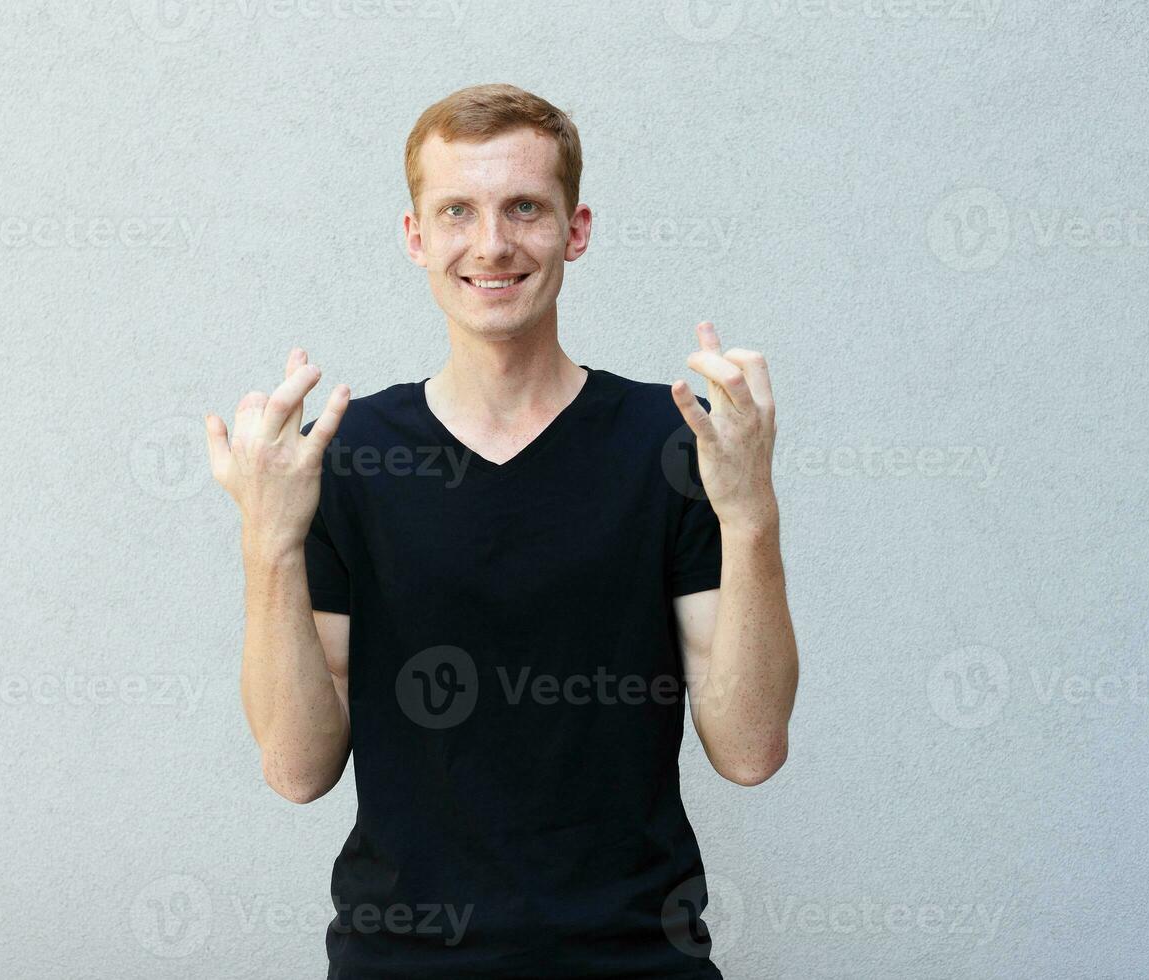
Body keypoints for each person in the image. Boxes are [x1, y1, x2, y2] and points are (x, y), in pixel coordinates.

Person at [204, 82, 798, 980]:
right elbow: (296, 767)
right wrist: (269, 542)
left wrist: (752, 514)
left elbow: (750, 750)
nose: (491, 243)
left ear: (576, 229)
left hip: (636, 961)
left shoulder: (674, 445)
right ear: (416, 237)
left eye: (525, 207)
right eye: (456, 211)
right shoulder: (349, 457)